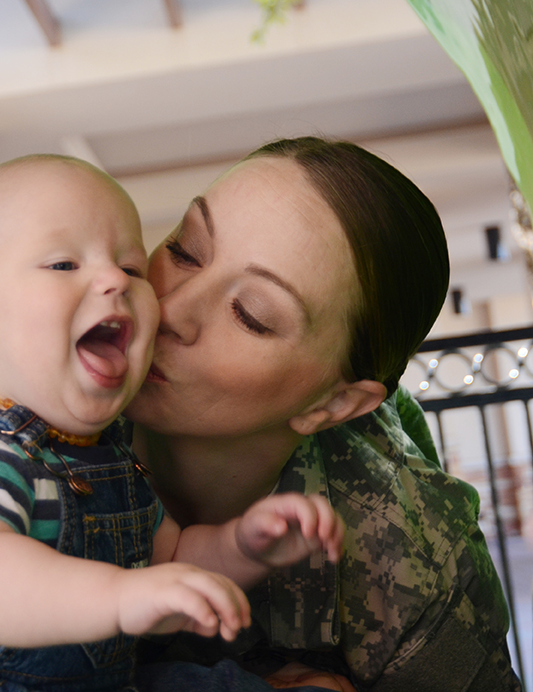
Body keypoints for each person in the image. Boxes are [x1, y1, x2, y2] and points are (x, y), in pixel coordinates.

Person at [0, 154, 348, 692]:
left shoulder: (103, 457)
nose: (112, 281)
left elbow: (171, 556)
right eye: (63, 265)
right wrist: (120, 598)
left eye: (130, 267)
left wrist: (242, 547)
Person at [125, 137, 522, 691]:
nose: (169, 311)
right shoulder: (19, 424)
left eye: (252, 315)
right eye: (185, 249)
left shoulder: (411, 566)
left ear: (333, 404)